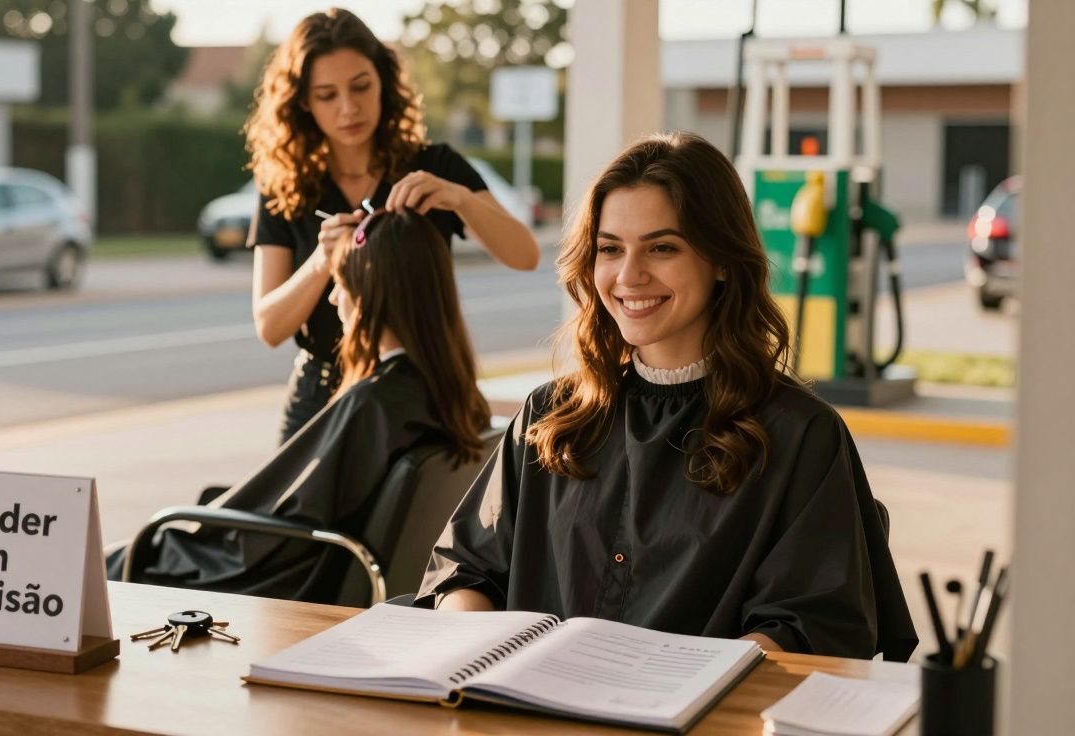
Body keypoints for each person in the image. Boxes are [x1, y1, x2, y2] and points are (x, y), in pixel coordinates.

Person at [415, 132, 918, 661]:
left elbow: (809, 627)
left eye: (662, 247)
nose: (629, 276)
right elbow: (466, 571)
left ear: (723, 260)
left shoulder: (800, 435)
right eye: (610, 249)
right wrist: (479, 649)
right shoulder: (549, 416)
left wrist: (679, 686)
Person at [111, 209, 491, 603]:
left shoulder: (374, 404)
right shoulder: (454, 395)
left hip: (293, 583)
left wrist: (198, 530)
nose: (332, 296)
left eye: (341, 283)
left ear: (369, 295)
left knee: (120, 558)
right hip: (340, 571)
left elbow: (279, 536)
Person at [244, 7, 539, 444]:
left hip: (424, 390)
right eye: (328, 95)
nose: (349, 108)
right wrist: (322, 262)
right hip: (321, 400)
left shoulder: (433, 166)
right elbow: (269, 327)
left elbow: (525, 255)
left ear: (383, 79)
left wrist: (458, 198)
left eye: (361, 86)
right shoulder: (285, 188)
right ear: (304, 102)